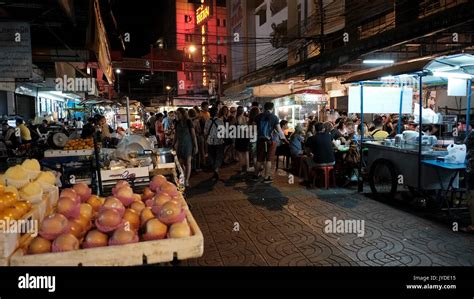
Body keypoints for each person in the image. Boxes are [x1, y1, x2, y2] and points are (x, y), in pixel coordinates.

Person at [253, 102, 288, 183]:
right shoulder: (274, 117)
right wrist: (285, 140)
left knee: (259, 159)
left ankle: (255, 175)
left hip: (260, 140)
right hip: (271, 141)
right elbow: (280, 131)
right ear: (272, 108)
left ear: (264, 108)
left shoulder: (257, 116)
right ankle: (266, 177)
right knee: (269, 159)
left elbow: (253, 130)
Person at [173, 108, 198, 187]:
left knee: (188, 162)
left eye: (178, 114)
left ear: (183, 114)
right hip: (179, 145)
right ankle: (184, 176)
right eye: (176, 114)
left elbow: (193, 135)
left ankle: (186, 180)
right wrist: (173, 144)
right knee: (180, 163)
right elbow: (176, 135)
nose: (177, 115)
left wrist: (195, 146)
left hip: (188, 144)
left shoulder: (188, 122)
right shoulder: (176, 123)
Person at [204, 106, 225, 180]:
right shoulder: (220, 121)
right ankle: (216, 169)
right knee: (219, 156)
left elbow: (205, 132)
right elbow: (223, 132)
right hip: (219, 141)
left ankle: (214, 169)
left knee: (212, 156)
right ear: (216, 113)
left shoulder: (207, 121)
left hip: (210, 141)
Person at [463, 130, 474, 233]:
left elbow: (465, 145)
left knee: (471, 195)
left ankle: (473, 225)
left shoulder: (472, 134)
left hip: (472, 169)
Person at [234, 106, 250, 174]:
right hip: (246, 137)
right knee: (246, 152)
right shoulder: (247, 118)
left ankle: (240, 167)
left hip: (239, 137)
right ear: (243, 111)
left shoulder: (236, 119)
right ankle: (247, 167)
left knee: (240, 153)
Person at [248, 106, 260, 172]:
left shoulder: (249, 121)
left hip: (252, 140)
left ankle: (256, 171)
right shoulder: (259, 121)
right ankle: (258, 171)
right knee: (259, 156)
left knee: (254, 156)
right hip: (259, 139)